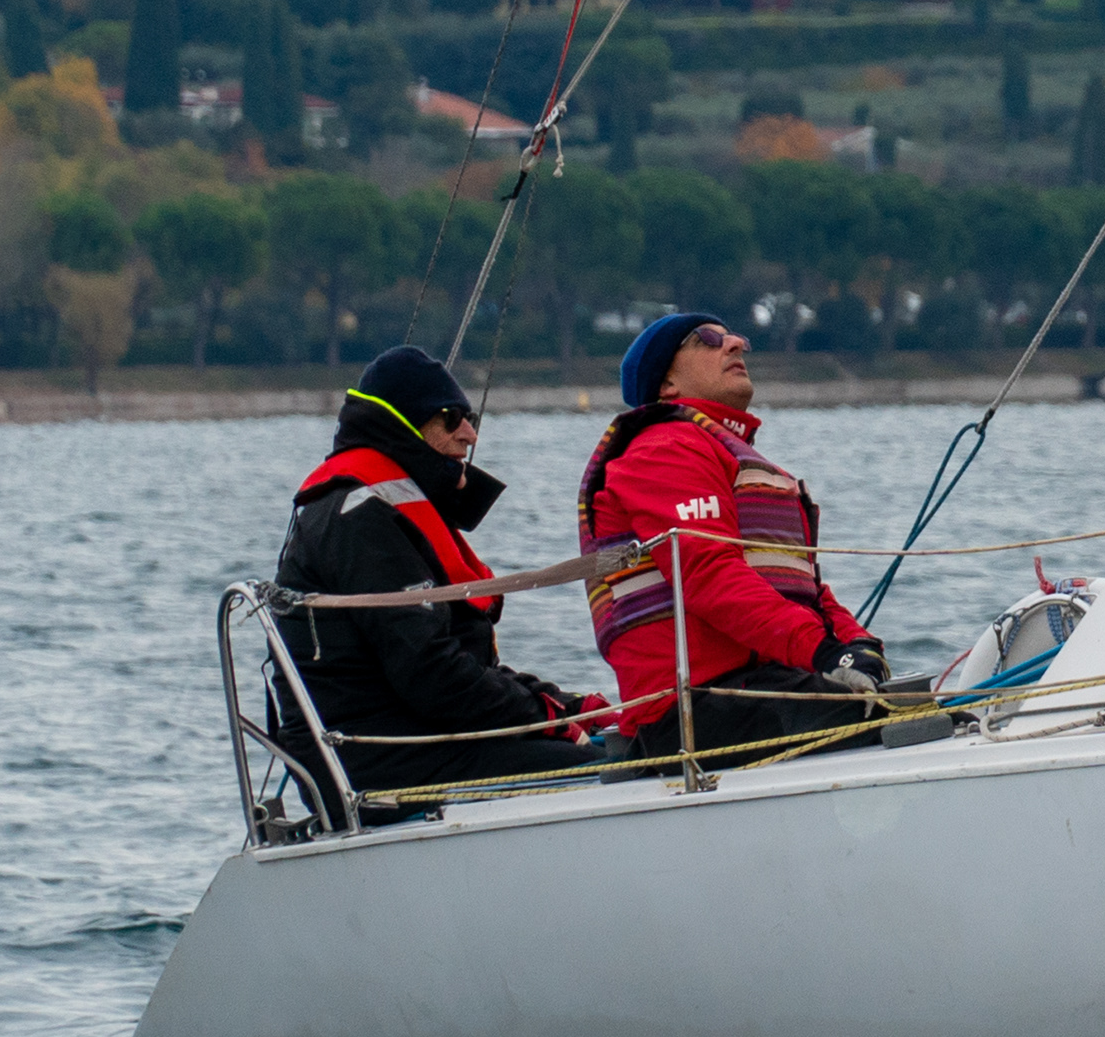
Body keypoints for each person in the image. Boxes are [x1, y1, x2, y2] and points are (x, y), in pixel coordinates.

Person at [271, 345, 608, 812]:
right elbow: (430, 673)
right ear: (403, 427)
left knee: (614, 741)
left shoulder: (385, 508)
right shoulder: (357, 519)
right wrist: (544, 719)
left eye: (468, 417)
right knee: (608, 770)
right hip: (375, 762)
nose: (469, 433)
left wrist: (564, 705)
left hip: (419, 737)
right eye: (450, 418)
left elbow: (455, 665)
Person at [578, 310, 892, 755]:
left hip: (756, 687)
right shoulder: (664, 448)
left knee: (922, 714)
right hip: (690, 711)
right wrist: (824, 653)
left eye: (736, 337)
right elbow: (708, 574)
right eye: (707, 339)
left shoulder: (721, 453)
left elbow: (806, 590)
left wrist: (856, 643)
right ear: (666, 385)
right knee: (909, 728)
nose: (734, 345)